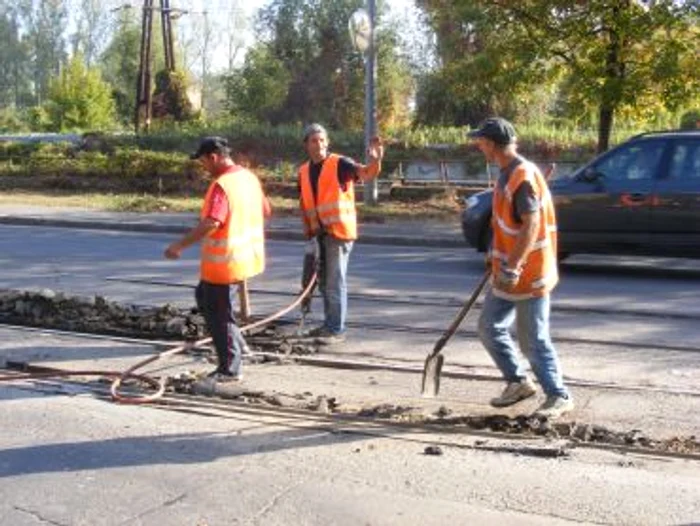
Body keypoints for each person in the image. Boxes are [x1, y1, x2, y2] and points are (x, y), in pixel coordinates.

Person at [468, 117, 573, 419]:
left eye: (480, 142)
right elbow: (508, 224)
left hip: (528, 273)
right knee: (489, 327)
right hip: (507, 272)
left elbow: (532, 224)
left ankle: (558, 394)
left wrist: (513, 265)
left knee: (533, 340)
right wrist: (496, 255)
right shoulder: (509, 173)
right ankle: (518, 382)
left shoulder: (521, 177)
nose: (479, 146)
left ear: (490, 144)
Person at [164, 137, 269, 382]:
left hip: (225, 263)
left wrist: (179, 246)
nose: (203, 167)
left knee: (219, 315)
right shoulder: (248, 178)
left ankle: (229, 370)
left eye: (203, 161)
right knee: (203, 297)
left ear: (213, 157)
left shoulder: (223, 185)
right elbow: (265, 210)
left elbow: (212, 222)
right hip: (244, 258)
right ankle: (239, 346)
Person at [298, 123, 384, 344]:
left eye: (322, 140)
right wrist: (309, 234)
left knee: (335, 282)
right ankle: (329, 325)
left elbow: (366, 173)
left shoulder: (339, 164)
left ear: (327, 142)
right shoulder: (303, 171)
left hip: (339, 233)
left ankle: (336, 329)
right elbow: (305, 204)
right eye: (313, 141)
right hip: (319, 234)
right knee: (325, 281)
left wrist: (376, 160)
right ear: (306, 145)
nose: (318, 145)